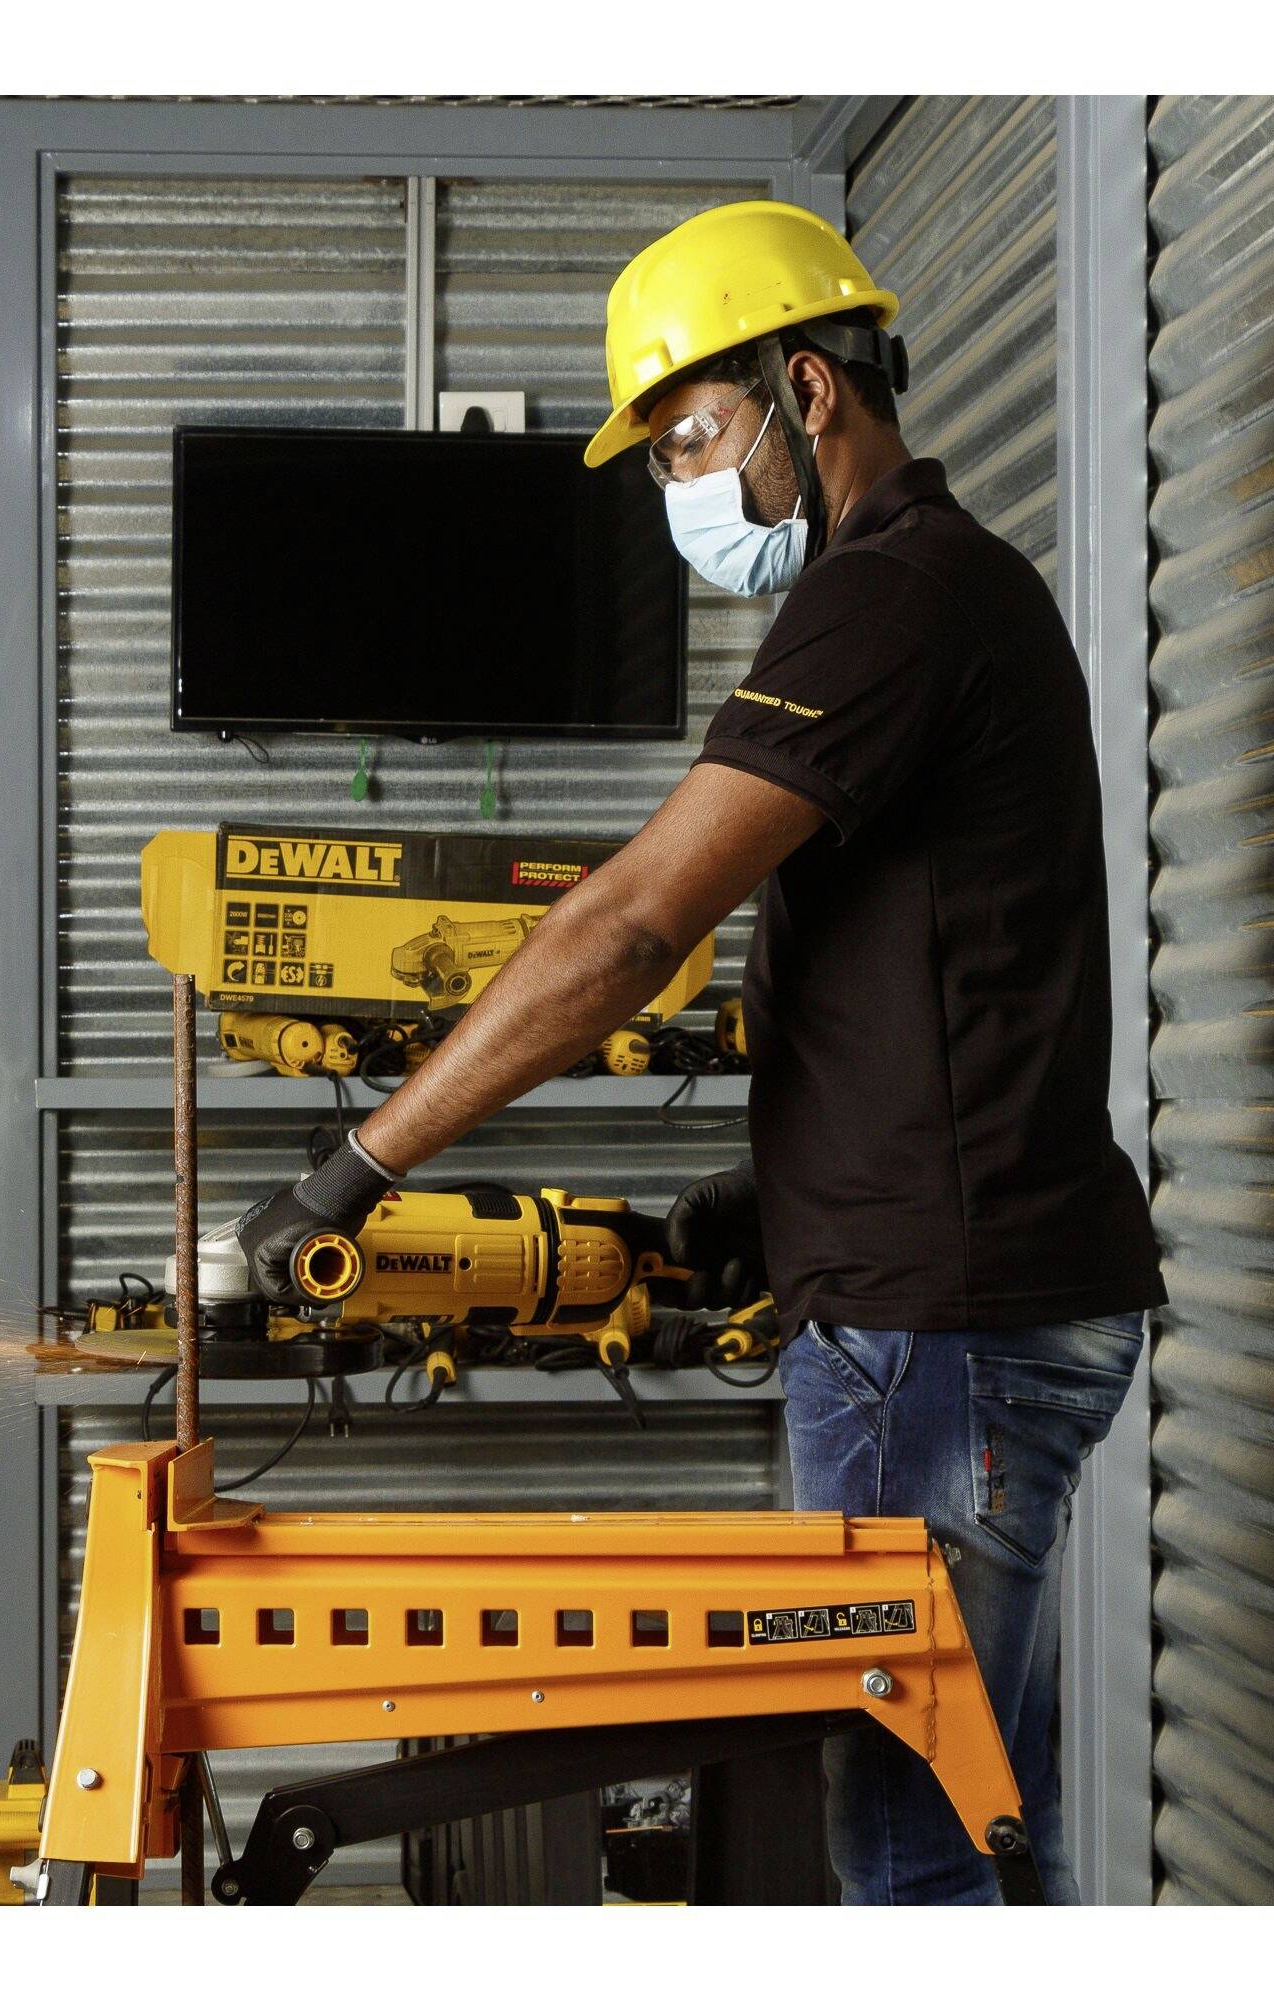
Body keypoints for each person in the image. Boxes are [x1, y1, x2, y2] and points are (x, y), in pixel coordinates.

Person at [224, 199, 1167, 1905]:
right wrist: (759, 1197)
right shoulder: (940, 591)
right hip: (954, 1296)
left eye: (691, 439)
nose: (680, 492)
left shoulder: (893, 594)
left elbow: (632, 925)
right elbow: (960, 977)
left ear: (809, 393)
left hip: (931, 1331)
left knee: (911, 1848)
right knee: (979, 1805)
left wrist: (359, 1162)